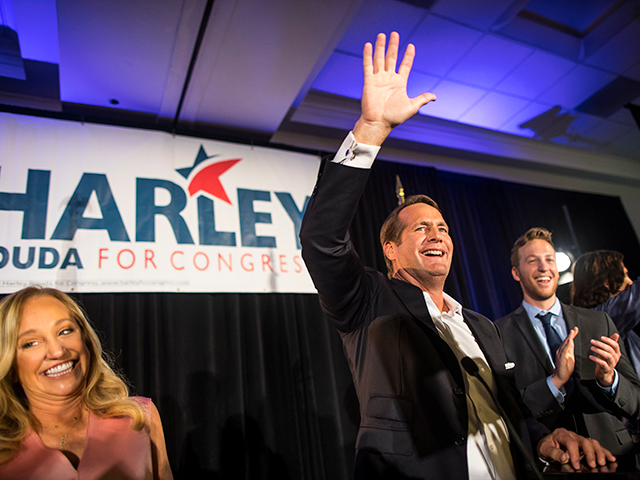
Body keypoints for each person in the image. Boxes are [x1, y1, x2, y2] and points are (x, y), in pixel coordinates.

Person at [300, 31, 613, 479]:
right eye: (421, 228)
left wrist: (543, 440)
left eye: (443, 228)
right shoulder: (368, 301)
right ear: (390, 249)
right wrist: (371, 130)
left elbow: (506, 412)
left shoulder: (481, 326)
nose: (438, 235)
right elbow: (320, 237)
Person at [0, 286, 173, 480]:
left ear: (86, 341)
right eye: (31, 343)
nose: (57, 351)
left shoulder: (140, 418)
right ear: (11, 365)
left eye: (65, 331)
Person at [496, 228, 640, 457]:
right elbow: (507, 413)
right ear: (516, 272)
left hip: (617, 459)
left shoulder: (598, 321)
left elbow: (635, 402)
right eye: (533, 261)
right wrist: (555, 381)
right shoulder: (498, 333)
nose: (544, 267)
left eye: (549, 259)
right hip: (556, 464)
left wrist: (610, 380)